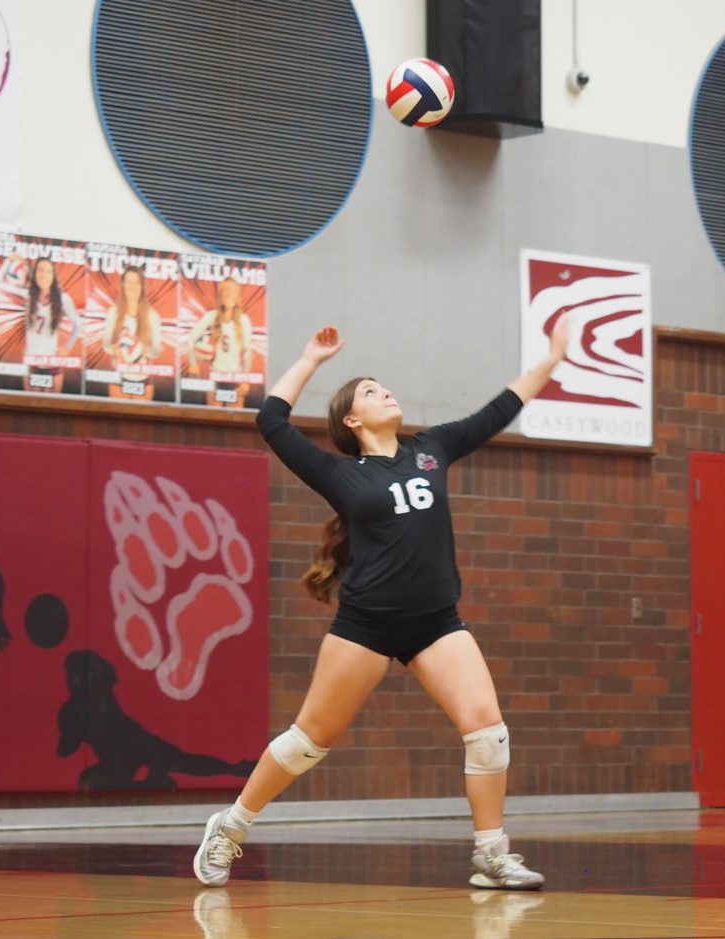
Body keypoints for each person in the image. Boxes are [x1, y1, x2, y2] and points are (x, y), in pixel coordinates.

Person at [194, 318, 569, 891]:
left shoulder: (433, 448)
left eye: (383, 386)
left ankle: (491, 854)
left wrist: (555, 356)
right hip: (366, 625)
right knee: (308, 743)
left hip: (436, 623)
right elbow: (271, 420)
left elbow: (502, 407)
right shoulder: (340, 473)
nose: (385, 391)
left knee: (488, 732)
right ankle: (231, 826)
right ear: (351, 419)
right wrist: (309, 361)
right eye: (370, 391)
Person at [186, 277, 253, 407]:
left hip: (236, 379)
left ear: (238, 296)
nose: (229, 294)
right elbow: (191, 339)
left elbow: (247, 353)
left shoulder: (244, 320)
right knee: (214, 418)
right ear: (220, 295)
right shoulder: (211, 316)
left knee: (236, 422)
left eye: (233, 290)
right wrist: (193, 363)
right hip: (215, 377)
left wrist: (246, 380)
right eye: (225, 290)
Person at [101, 265, 162, 400]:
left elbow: (157, 349)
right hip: (119, 377)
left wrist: (144, 350)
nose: (132, 286)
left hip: (143, 378)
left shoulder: (152, 315)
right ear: (123, 285)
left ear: (142, 286)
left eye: (136, 282)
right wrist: (115, 349)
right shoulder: (114, 312)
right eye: (128, 282)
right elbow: (105, 344)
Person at [23, 257, 81, 394]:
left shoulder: (63, 298)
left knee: (53, 408)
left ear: (53, 275)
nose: (44, 275)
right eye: (40, 270)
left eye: (48, 271)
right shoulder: (27, 295)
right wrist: (12, 261)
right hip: (32, 361)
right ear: (35, 273)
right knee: (29, 407)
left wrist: (67, 348)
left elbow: (78, 324)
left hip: (52, 362)